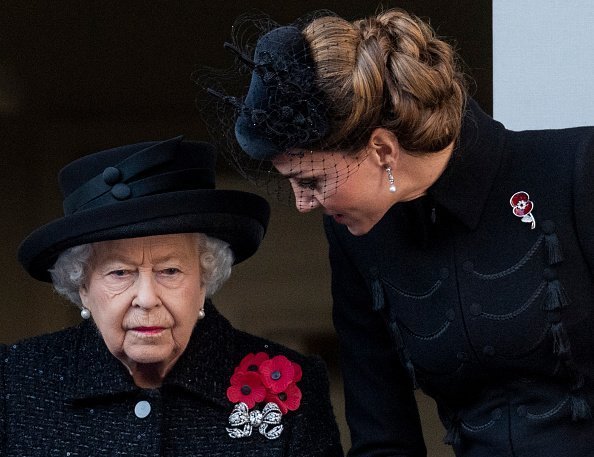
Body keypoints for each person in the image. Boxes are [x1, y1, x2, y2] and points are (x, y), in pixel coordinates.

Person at [199, 8, 594, 457]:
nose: (302, 204)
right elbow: (382, 437)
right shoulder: (357, 237)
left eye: (311, 181)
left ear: (382, 149)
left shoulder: (576, 170)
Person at [0, 136, 343, 456]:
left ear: (204, 279)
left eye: (170, 271)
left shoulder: (293, 386)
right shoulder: (14, 382)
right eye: (120, 273)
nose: (147, 298)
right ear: (83, 288)